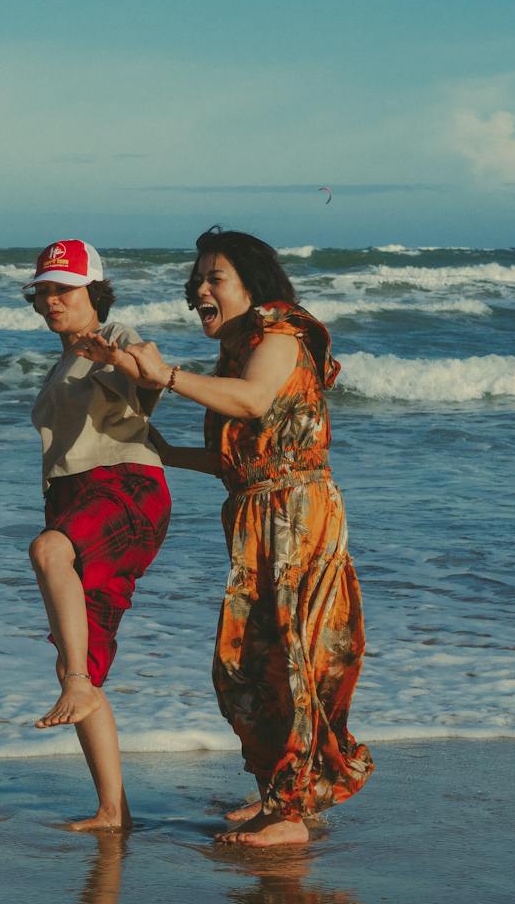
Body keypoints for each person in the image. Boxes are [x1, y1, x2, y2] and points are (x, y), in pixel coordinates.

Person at [77, 226, 373, 846]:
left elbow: (253, 401)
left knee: (288, 660)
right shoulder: (239, 349)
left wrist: (169, 373)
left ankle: (290, 813)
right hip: (257, 516)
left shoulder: (281, 336)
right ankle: (281, 795)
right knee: (248, 661)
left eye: (216, 277)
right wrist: (156, 447)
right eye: (198, 280)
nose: (200, 288)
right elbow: (229, 457)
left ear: (252, 285)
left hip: (296, 516)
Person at [24, 238, 171, 832]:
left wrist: (118, 357)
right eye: (46, 291)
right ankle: (113, 810)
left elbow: (147, 370)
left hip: (124, 487)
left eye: (66, 289)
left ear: (95, 292)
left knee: (47, 550)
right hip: (75, 497)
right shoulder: (62, 363)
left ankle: (80, 684)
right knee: (74, 663)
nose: (54, 300)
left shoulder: (117, 338)